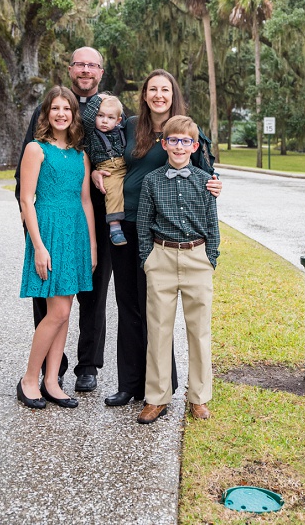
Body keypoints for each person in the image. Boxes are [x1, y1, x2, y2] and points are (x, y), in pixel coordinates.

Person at [95, 69, 222, 407]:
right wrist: (96, 170)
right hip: (125, 225)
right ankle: (130, 384)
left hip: (163, 232)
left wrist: (216, 181)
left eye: (164, 90)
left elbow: (206, 168)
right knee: (129, 306)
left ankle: (165, 384)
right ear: (145, 94)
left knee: (158, 312)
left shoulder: (182, 129)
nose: (158, 95)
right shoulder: (131, 125)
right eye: (152, 89)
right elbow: (108, 154)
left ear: (172, 94)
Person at [13, 47, 112, 393]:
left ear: (101, 71)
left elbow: (116, 164)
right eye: (79, 64)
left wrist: (99, 239)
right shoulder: (38, 143)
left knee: (84, 303)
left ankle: (80, 369)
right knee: (52, 306)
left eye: (92, 65)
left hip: (87, 227)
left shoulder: (108, 112)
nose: (85, 70)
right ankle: (37, 375)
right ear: (70, 69)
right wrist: (33, 235)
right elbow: (25, 188)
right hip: (49, 226)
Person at [135, 116, 220, 424]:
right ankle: (157, 398)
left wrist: (211, 256)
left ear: (194, 146)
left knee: (199, 332)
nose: (179, 146)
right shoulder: (152, 181)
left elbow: (212, 223)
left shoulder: (205, 180)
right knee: (158, 331)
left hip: (197, 258)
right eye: (174, 140)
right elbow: (143, 224)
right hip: (162, 259)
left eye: (186, 141)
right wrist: (148, 258)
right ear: (164, 144)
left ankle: (198, 398)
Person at [17, 87, 95, 410]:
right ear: (46, 113)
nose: (61, 113)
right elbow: (26, 199)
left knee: (65, 313)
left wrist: (91, 244)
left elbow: (86, 200)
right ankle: (29, 380)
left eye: (67, 108)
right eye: (55, 108)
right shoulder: (36, 150)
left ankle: (52, 381)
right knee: (57, 311)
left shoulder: (81, 154)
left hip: (75, 232)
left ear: (74, 115)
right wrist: (38, 245)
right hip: (48, 231)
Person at [86, 93, 128, 245]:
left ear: (118, 120)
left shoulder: (121, 130)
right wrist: (98, 98)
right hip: (108, 169)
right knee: (113, 192)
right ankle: (114, 226)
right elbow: (87, 119)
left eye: (110, 118)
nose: (104, 121)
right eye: (100, 116)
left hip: (125, 166)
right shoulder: (91, 134)